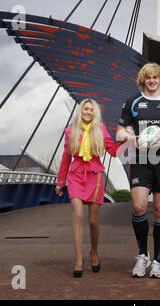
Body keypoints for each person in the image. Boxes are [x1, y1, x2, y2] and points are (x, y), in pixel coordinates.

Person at [116, 63, 160, 278]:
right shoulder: (133, 102)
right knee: (138, 206)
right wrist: (132, 137)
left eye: (156, 77)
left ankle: (157, 261)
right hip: (140, 159)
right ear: (143, 79)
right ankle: (142, 255)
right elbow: (119, 133)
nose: (152, 80)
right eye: (148, 77)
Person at [55, 98, 124, 278]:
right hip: (76, 174)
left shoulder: (100, 129)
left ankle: (94, 252)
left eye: (91, 110)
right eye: (85, 109)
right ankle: (78, 258)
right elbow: (65, 158)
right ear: (80, 111)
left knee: (93, 222)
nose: (87, 112)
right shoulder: (70, 131)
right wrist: (60, 182)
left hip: (95, 175)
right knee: (78, 216)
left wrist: (128, 140)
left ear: (95, 113)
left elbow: (113, 151)